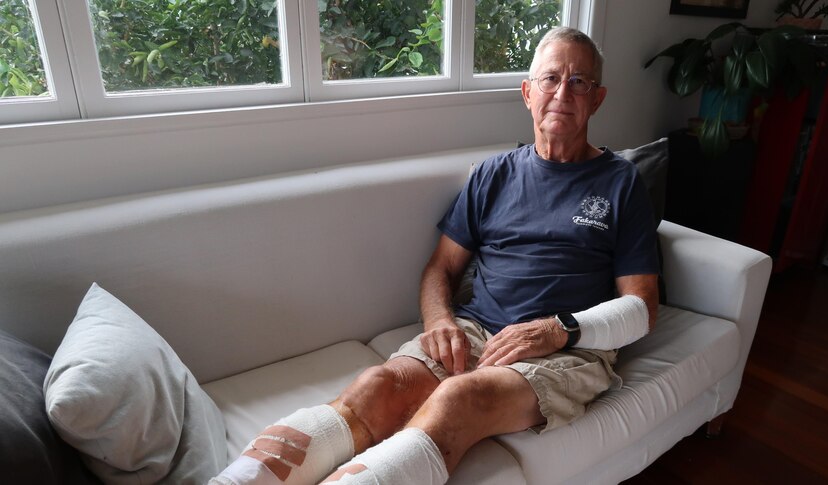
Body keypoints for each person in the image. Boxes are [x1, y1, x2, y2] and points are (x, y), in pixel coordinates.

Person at [211, 26, 659, 485]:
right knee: (377, 386)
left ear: (597, 98)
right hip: (476, 327)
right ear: (527, 92)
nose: (562, 92)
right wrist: (439, 321)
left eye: (579, 81)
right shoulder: (493, 174)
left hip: (568, 349)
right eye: (550, 79)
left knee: (459, 398)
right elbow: (440, 268)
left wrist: (557, 330)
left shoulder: (620, 183)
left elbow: (642, 307)